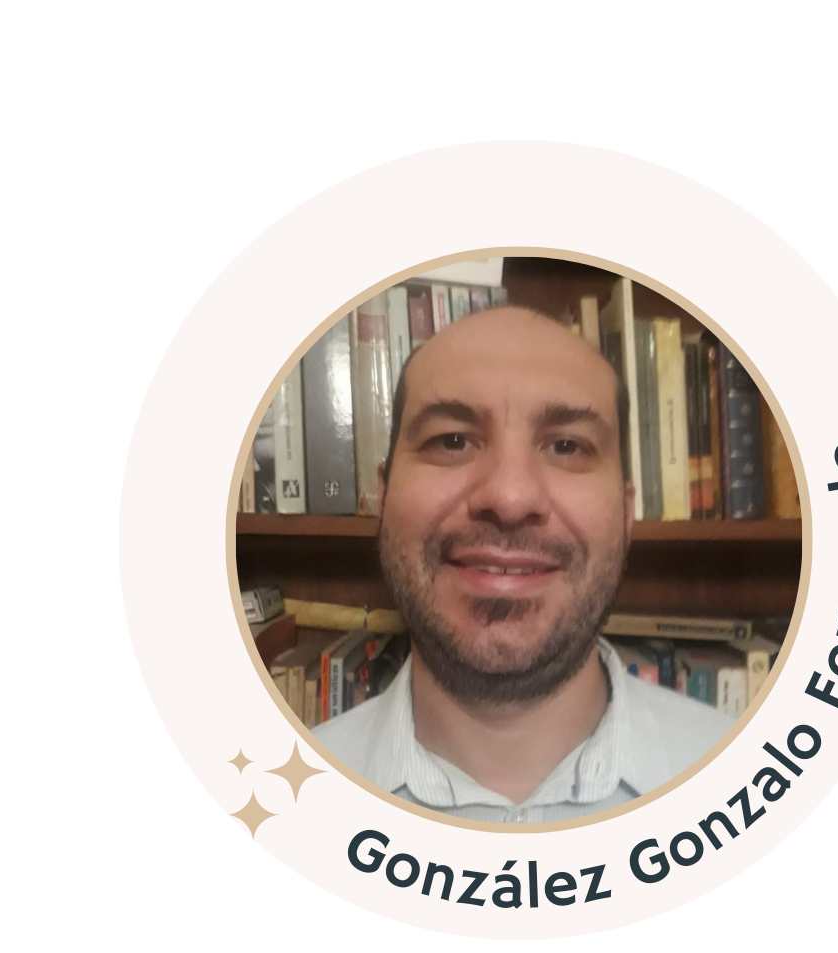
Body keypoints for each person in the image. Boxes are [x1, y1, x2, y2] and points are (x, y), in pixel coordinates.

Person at [313, 305, 733, 822]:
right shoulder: (281, 803)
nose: (510, 498)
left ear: (625, 514)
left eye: (567, 446)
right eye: (452, 440)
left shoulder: (751, 780)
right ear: (384, 496)